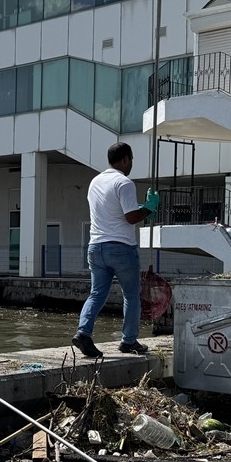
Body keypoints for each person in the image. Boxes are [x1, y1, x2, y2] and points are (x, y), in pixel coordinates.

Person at [72, 142, 160, 359]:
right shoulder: (124, 182)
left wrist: (141, 207)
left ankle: (83, 332)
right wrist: (149, 208)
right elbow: (131, 217)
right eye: (131, 160)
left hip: (95, 247)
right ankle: (128, 341)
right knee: (131, 295)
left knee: (96, 294)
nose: (131, 165)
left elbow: (112, 210)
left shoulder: (95, 182)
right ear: (126, 159)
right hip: (121, 248)